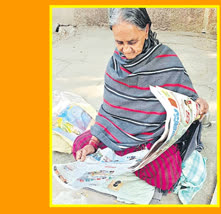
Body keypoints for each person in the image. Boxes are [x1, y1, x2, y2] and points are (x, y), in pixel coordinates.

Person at [73, 8, 208, 193]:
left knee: (167, 175)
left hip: (150, 139)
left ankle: (123, 159)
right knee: (80, 146)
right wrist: (93, 142)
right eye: (119, 42)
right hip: (117, 133)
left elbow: (189, 99)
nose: (126, 50)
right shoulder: (115, 63)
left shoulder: (165, 59)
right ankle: (121, 159)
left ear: (146, 30)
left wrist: (200, 105)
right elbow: (109, 110)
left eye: (132, 42)